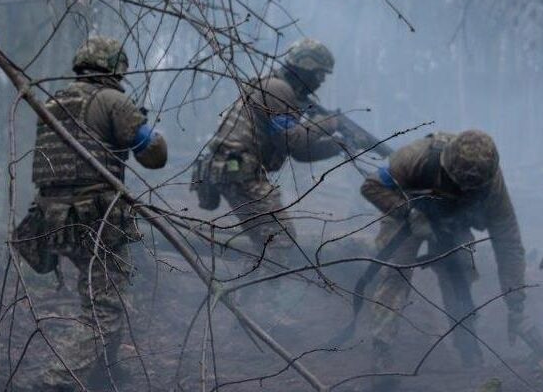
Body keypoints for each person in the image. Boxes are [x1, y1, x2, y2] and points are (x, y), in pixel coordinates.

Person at [23, 36, 167, 391]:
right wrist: (151, 132)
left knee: (104, 294)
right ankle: (56, 382)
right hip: (94, 218)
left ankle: (106, 375)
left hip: (51, 218)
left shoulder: (55, 101)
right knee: (105, 307)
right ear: (116, 68)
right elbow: (154, 156)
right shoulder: (112, 100)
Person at [360, 130, 527, 374]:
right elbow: (372, 185)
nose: (465, 187)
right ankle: (382, 351)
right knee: (395, 275)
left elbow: (508, 243)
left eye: (473, 186)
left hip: (453, 223)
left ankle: (468, 349)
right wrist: (408, 213)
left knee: (459, 278)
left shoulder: (493, 186)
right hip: (407, 216)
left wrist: (516, 303)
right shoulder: (416, 157)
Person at [194, 38, 344, 261]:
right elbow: (292, 142)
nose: (321, 81)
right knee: (280, 239)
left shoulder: (275, 86)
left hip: (233, 169)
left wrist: (338, 146)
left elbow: (300, 153)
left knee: (267, 239)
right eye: (320, 73)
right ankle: (260, 295)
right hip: (239, 169)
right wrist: (328, 123)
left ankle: (247, 290)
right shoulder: (277, 88)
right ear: (307, 68)